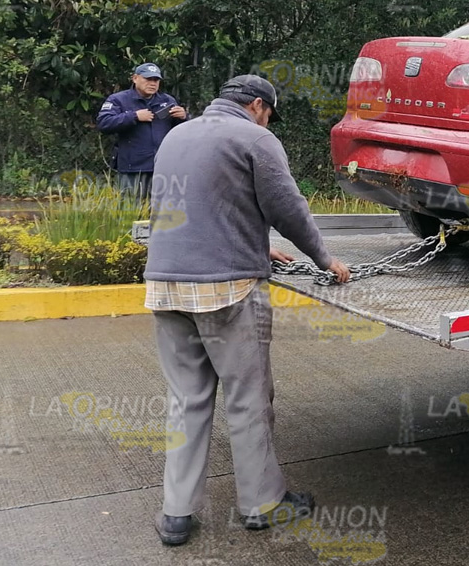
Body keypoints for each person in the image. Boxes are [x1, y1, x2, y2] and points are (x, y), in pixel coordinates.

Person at [143, 74, 350, 545]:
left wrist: (259, 247)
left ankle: (176, 514)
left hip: (166, 285)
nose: (269, 120)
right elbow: (287, 207)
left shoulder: (178, 134)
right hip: (227, 291)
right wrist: (325, 257)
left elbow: (194, 206)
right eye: (270, 113)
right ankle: (262, 505)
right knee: (248, 399)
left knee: (187, 400)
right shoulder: (256, 137)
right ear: (258, 105)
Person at [96, 62, 189, 200]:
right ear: (135, 78)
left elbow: (181, 132)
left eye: (156, 80)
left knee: (162, 213)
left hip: (162, 168)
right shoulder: (119, 100)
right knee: (131, 212)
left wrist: (183, 117)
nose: (152, 83)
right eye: (148, 79)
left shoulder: (167, 100)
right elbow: (104, 123)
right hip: (132, 169)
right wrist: (134, 116)